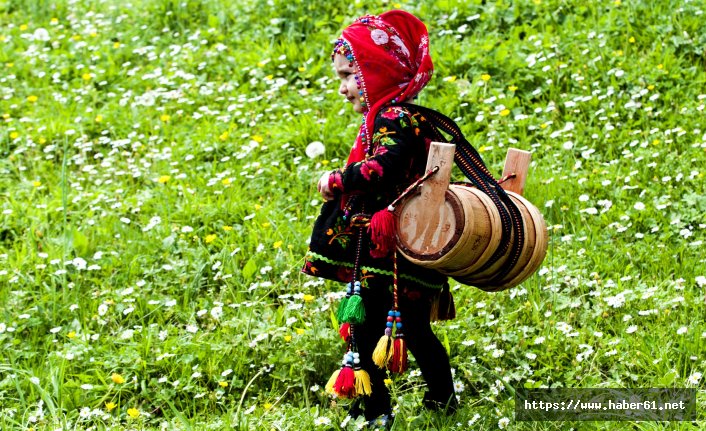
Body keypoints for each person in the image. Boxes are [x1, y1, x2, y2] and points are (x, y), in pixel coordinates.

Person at [301, 10, 458, 427]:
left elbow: (384, 168)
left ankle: (375, 411)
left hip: (383, 253)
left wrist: (338, 179)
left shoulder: (392, 118)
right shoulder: (412, 119)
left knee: (363, 332)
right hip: (411, 249)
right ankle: (443, 402)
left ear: (375, 71)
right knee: (415, 330)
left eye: (349, 74)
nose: (342, 87)